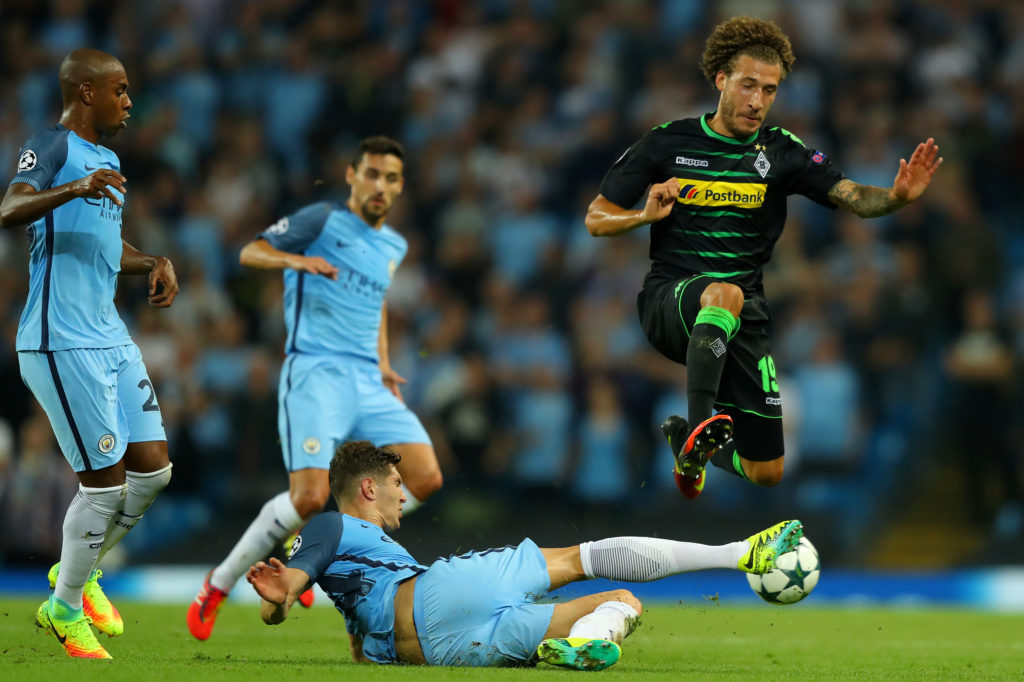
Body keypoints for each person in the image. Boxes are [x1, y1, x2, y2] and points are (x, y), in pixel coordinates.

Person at [584, 16, 942, 499]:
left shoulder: (783, 152)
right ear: (721, 80)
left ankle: (688, 444)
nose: (758, 101)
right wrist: (642, 216)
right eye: (748, 85)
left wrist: (897, 198)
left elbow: (854, 197)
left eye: (770, 90)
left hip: (743, 320)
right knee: (723, 291)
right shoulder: (668, 141)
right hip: (671, 302)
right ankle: (697, 429)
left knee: (766, 469)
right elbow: (596, 218)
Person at [188, 136, 443, 640]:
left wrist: (386, 366)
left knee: (427, 477)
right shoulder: (321, 221)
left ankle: (313, 552)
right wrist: (298, 262)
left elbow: (377, 306)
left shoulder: (394, 245)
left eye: (391, 178)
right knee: (309, 497)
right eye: (371, 173)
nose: (380, 185)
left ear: (399, 187)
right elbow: (251, 251)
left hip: (368, 378)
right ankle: (217, 583)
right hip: (316, 371)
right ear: (351, 175)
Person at [246, 440, 803, 670]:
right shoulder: (331, 524)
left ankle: (589, 642)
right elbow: (296, 577)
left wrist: (278, 599)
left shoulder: (329, 550)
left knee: (620, 601)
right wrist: (287, 587)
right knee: (582, 557)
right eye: (394, 481)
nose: (401, 491)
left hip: (435, 654)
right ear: (367, 489)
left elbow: (287, 595)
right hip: (440, 595)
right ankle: (739, 553)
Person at [0, 48, 178, 659]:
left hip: (110, 336)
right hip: (59, 340)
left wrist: (151, 260)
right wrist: (74, 185)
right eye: (121, 91)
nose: (130, 102)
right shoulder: (49, 148)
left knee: (153, 470)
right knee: (102, 487)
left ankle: (74, 575)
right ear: (85, 93)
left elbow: (105, 244)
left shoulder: (109, 159)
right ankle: (66, 609)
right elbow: (8, 209)